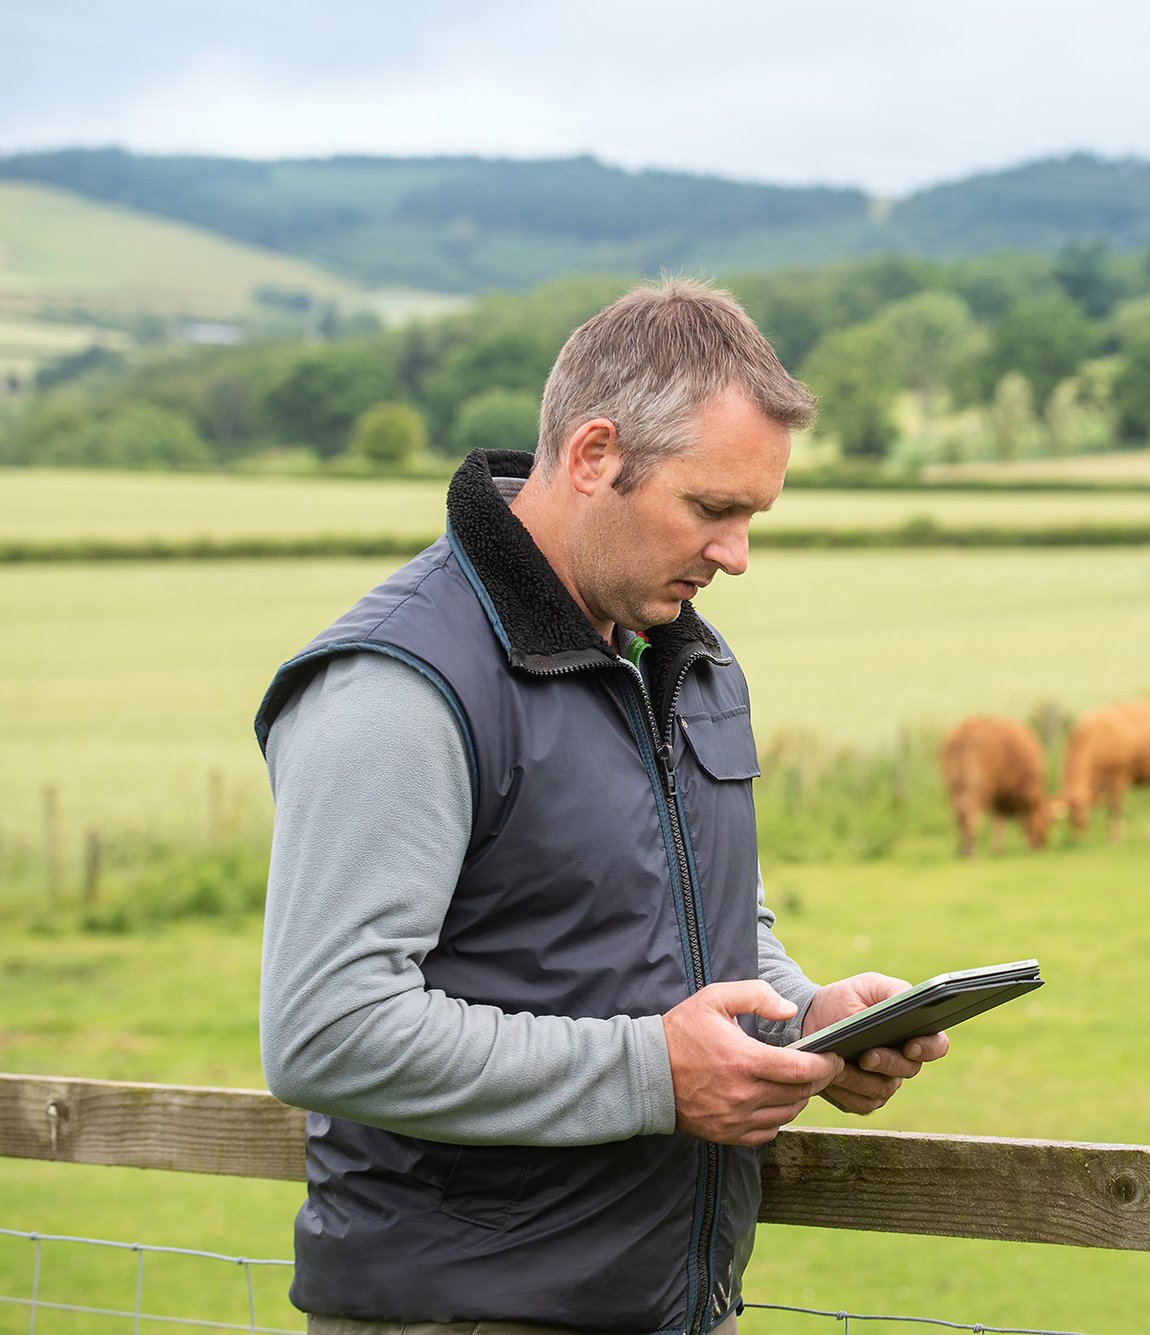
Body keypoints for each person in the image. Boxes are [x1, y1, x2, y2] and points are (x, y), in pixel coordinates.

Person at [254, 279, 947, 1335]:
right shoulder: (399, 686)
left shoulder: (685, 662)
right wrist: (654, 1075)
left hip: (670, 1306)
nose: (736, 555)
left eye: (752, 516)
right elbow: (327, 1033)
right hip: (460, 1313)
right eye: (710, 509)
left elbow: (699, 929)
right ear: (591, 456)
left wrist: (800, 1021)